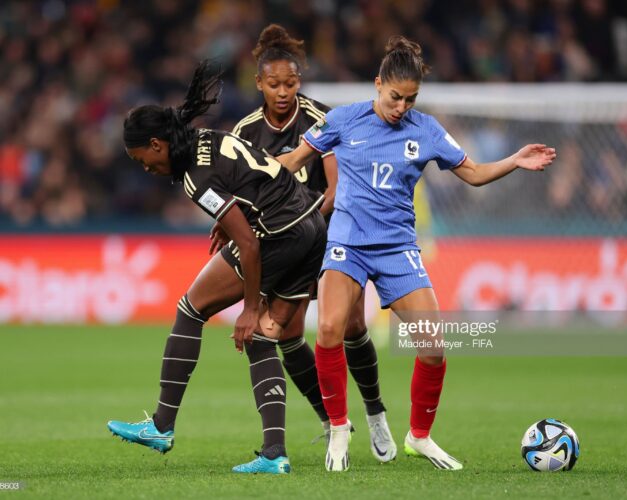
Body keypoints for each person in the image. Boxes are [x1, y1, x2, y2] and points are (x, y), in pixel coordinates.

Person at [278, 36, 556, 472]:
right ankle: (337, 429)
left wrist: (514, 160)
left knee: (433, 348)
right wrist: (249, 185)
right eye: (395, 97)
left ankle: (419, 437)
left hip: (396, 249)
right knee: (330, 328)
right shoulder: (344, 120)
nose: (401, 107)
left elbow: (474, 173)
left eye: (410, 99)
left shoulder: (425, 129)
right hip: (347, 242)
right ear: (377, 84)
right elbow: (293, 160)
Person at [107, 59, 328, 475]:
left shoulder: (194, 176)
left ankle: (161, 425)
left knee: (192, 309)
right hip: (312, 225)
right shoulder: (207, 138)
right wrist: (228, 222)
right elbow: (253, 180)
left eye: (143, 160)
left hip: (278, 232)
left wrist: (248, 307)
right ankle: (275, 454)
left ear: (158, 145)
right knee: (265, 339)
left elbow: (248, 241)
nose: (147, 169)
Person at [222, 23, 396, 462]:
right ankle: (332, 420)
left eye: (292, 83)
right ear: (259, 83)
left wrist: (298, 226)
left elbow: (335, 192)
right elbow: (240, 195)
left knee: (352, 327)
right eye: (275, 84)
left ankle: (376, 413)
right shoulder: (245, 131)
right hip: (287, 244)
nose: (284, 92)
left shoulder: (322, 119)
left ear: (301, 81)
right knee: (285, 335)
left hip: (335, 232)